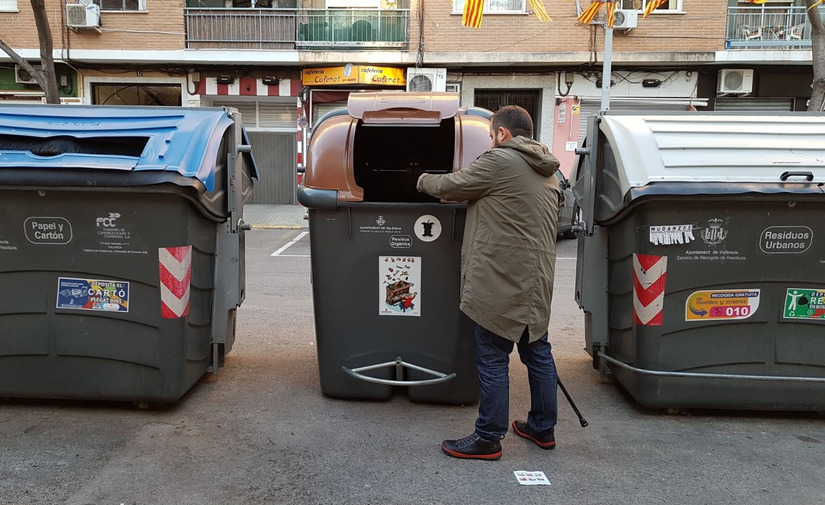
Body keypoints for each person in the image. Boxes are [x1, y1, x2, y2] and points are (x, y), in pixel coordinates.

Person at [416, 105, 562, 461]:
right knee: (537, 352)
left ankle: (488, 438)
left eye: (491, 135)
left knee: (493, 356)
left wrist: (418, 178)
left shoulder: (501, 161)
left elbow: (452, 186)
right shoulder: (547, 170)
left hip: (504, 279)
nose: (491, 141)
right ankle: (542, 429)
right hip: (536, 279)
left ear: (502, 134)